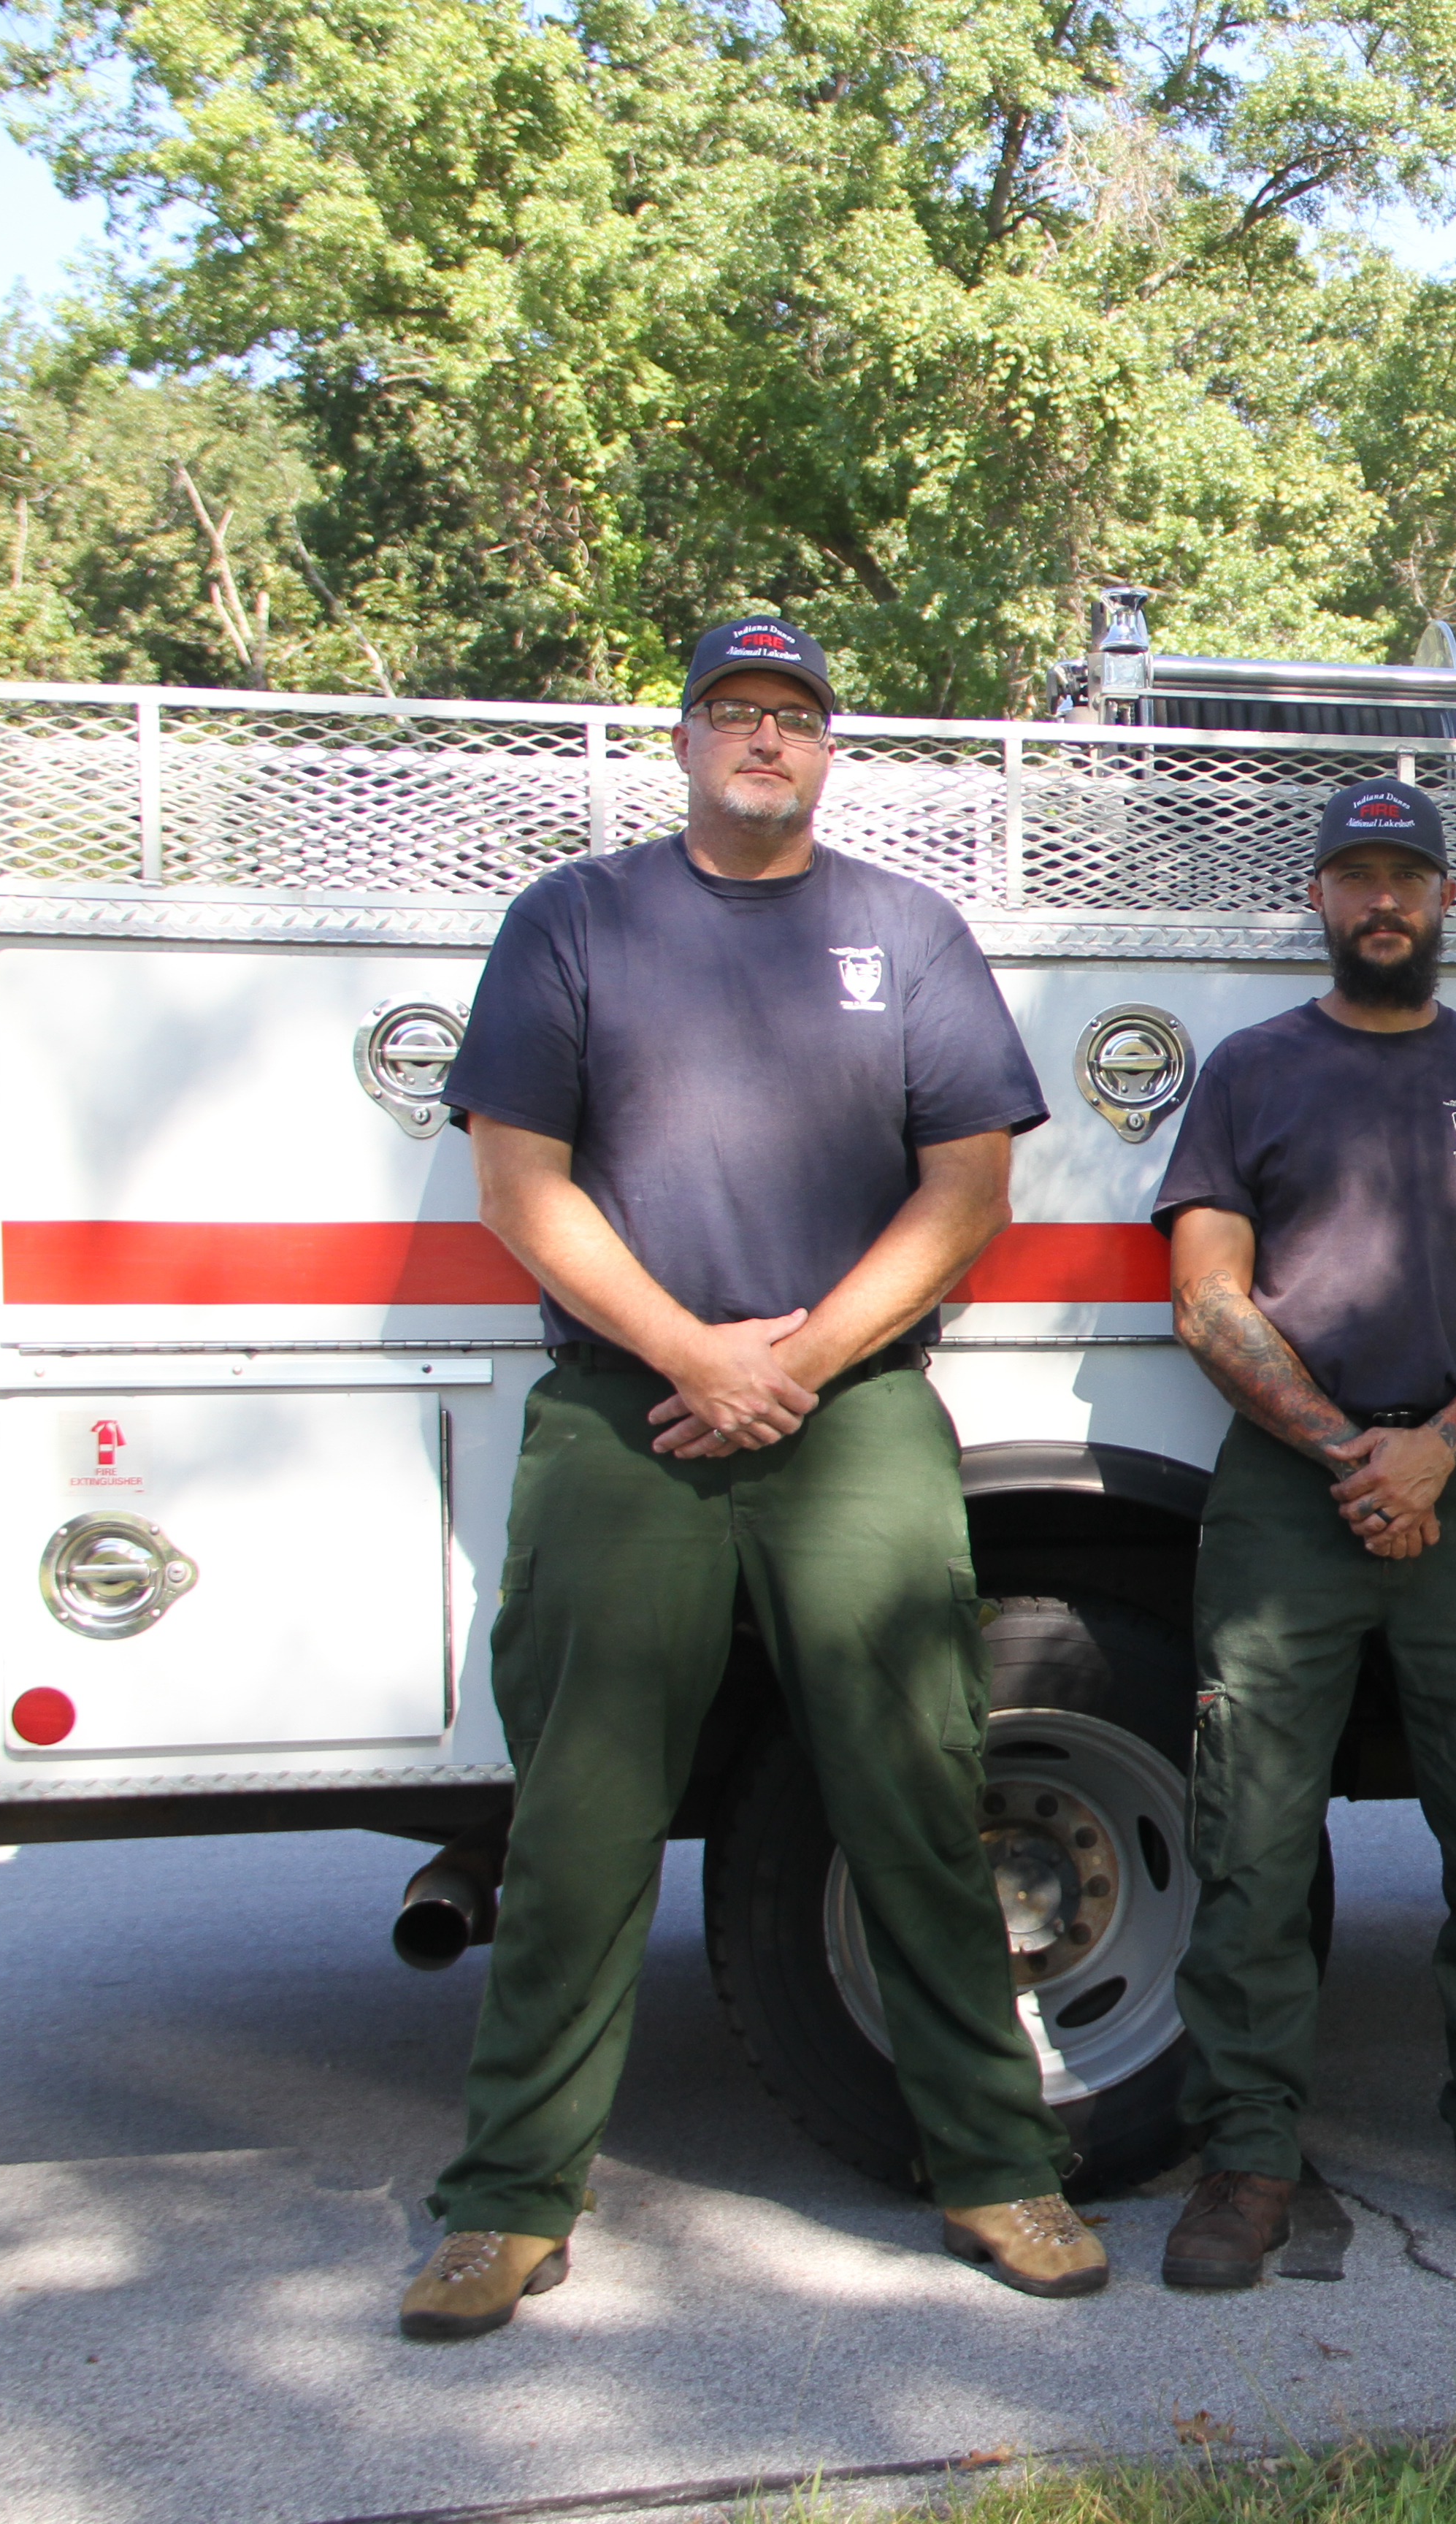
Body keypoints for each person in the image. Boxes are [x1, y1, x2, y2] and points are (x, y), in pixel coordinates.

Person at [402, 614, 1100, 2342]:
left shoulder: (902, 931)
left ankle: (995, 2167)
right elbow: (523, 1185)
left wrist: (788, 1365)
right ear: (688, 739)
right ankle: (507, 2205)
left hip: (853, 1419)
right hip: (622, 1413)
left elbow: (965, 1193)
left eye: (793, 715)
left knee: (921, 1804)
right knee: (575, 1830)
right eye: (734, 709)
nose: (764, 737)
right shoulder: (578, 921)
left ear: (826, 751)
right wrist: (698, 1354)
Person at [1150, 776, 1456, 2290]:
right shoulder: (1250, 1072)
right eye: (1355, 877)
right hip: (1295, 1493)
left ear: (1443, 903)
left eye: (1405, 879)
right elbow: (1207, 1298)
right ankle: (1245, 2164)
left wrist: (1439, 1451)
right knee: (1254, 1846)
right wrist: (1358, 1453)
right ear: (1319, 899)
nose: (1382, 902)